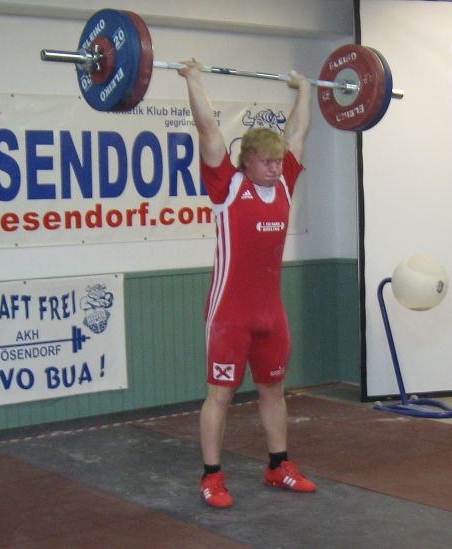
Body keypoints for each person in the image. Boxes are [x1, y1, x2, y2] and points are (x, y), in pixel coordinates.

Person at [178, 59, 315, 509]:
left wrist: (305, 89)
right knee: (220, 395)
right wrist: (194, 79)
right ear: (247, 160)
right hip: (229, 316)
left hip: (271, 316)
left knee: (273, 391)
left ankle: (278, 465)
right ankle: (211, 476)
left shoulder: (286, 184)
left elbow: (299, 131)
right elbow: (207, 128)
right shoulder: (227, 186)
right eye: (268, 161)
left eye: (279, 161)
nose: (277, 167)